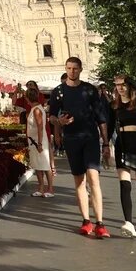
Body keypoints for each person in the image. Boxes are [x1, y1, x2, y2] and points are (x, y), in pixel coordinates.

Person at [48, 56, 111, 239]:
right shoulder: (58, 92)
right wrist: (59, 122)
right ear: (65, 69)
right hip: (71, 139)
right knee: (79, 181)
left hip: (90, 137)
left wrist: (106, 143)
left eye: (75, 68)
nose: (72, 71)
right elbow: (52, 116)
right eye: (69, 68)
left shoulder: (89, 90)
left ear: (81, 69)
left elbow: (101, 118)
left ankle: (100, 223)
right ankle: (86, 221)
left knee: (93, 177)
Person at [112, 75, 136, 237]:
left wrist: (129, 79)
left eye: (124, 84)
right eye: (118, 85)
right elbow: (109, 125)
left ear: (129, 86)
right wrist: (105, 146)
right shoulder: (114, 105)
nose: (121, 87)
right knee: (125, 184)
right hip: (122, 144)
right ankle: (128, 222)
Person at [24, 81, 55, 197]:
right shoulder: (35, 109)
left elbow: (40, 127)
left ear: (28, 98)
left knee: (45, 164)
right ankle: (41, 188)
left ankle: (50, 189)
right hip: (34, 141)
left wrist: (40, 143)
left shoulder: (37, 110)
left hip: (38, 141)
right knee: (37, 164)